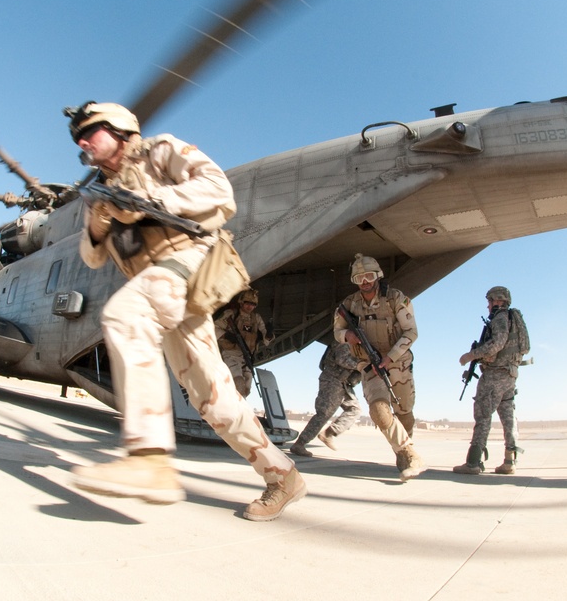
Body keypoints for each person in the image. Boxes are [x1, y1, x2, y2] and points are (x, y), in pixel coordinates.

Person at [63, 101, 305, 521]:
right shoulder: (98, 191)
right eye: (77, 138)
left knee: (124, 316)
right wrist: (99, 222)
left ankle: (150, 459)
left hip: (189, 260)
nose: (83, 142)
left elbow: (219, 191)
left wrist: (150, 197)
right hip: (163, 290)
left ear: (119, 128)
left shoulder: (159, 151)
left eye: (91, 131)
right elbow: (92, 258)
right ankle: (282, 476)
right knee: (213, 401)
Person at [332, 253, 423, 481]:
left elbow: (411, 332)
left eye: (369, 276)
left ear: (378, 276)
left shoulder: (396, 299)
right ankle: (408, 454)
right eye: (359, 278)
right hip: (369, 364)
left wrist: (390, 357)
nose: (365, 281)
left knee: (405, 413)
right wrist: (348, 335)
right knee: (379, 410)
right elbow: (337, 332)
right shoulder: (349, 304)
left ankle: (402, 449)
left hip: (398, 362)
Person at [453, 286, 530, 475]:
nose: (488, 306)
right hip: (510, 375)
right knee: (508, 417)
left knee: (483, 415)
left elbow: (497, 343)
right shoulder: (512, 318)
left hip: (495, 374)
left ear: (498, 301)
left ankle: (473, 462)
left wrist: (471, 355)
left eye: (489, 301)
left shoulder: (501, 318)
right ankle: (509, 461)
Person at [289, 342, 364, 457]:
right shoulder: (342, 341)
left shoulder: (356, 345)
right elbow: (342, 359)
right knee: (324, 413)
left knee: (354, 409)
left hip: (344, 383)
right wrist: (361, 365)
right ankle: (300, 444)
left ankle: (329, 433)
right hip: (332, 381)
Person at [214, 289, 273, 398]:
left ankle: (238, 410)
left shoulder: (256, 318)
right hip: (231, 354)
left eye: (253, 304)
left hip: (248, 357)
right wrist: (226, 335)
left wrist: (269, 333)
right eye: (247, 303)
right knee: (238, 383)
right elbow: (214, 327)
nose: (250, 307)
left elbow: (266, 339)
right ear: (241, 302)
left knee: (246, 388)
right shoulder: (231, 314)